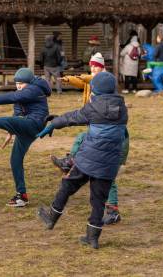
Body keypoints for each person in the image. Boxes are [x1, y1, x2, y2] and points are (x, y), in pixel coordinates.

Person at [37, 72, 128, 249]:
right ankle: (92, 238)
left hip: (88, 160)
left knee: (66, 186)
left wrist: (54, 123)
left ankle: (51, 218)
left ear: (97, 90)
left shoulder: (93, 107)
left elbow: (72, 118)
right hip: (109, 165)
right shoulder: (122, 109)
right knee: (98, 202)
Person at [52, 53, 129, 225]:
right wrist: (69, 80)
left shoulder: (105, 82)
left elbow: (88, 78)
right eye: (92, 66)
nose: (93, 69)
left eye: (97, 66)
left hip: (106, 131)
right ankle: (71, 161)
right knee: (87, 147)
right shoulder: (96, 82)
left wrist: (86, 77)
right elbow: (83, 81)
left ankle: (113, 209)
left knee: (105, 174)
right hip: (96, 122)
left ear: (102, 68)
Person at [0, 68, 51, 207]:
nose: (19, 86)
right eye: (17, 83)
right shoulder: (23, 92)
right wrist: (11, 132)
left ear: (29, 82)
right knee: (15, 160)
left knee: (9, 120)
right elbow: (17, 113)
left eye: (22, 83)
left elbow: (14, 97)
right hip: (25, 127)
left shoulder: (34, 89)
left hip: (35, 124)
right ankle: (22, 196)